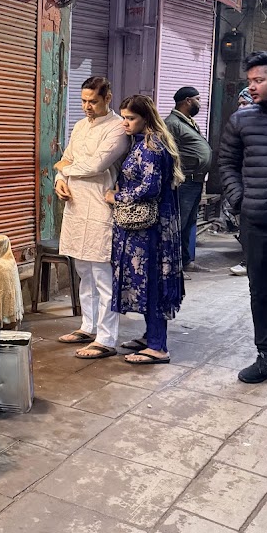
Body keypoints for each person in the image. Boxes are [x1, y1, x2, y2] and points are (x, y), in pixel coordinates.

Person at [218, 50, 267, 383]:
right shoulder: (242, 120)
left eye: (258, 80)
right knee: (261, 294)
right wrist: (240, 200)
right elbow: (226, 165)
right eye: (249, 80)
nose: (251, 87)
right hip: (257, 224)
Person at [55, 77, 130, 359]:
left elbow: (96, 164)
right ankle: (87, 326)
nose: (87, 107)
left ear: (107, 97)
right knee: (83, 271)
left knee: (102, 274)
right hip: (75, 205)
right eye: (84, 101)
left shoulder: (117, 129)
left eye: (93, 101)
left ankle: (107, 338)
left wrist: (66, 166)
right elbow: (68, 157)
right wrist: (59, 179)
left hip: (100, 206)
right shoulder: (79, 125)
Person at [108, 95, 184, 365]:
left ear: (146, 119)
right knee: (146, 280)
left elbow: (150, 188)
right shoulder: (144, 142)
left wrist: (117, 197)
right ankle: (150, 336)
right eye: (124, 117)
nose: (125, 123)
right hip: (144, 227)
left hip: (150, 230)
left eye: (131, 118)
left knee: (152, 280)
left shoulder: (151, 146)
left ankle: (157, 346)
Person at [165, 86, 212, 277]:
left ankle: (186, 261)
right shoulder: (172, 123)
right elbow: (168, 152)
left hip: (196, 181)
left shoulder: (188, 122)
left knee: (189, 222)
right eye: (198, 99)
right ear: (188, 101)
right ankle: (174, 268)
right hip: (184, 182)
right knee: (179, 224)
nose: (200, 103)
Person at [228, 87, 254, 277]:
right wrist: (236, 194)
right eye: (240, 104)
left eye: (245, 103)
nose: (241, 108)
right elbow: (229, 163)